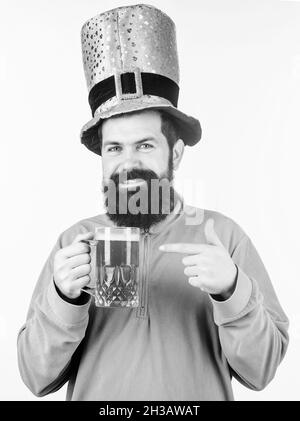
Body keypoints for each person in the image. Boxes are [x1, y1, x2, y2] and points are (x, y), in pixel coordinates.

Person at [17, 4, 289, 401]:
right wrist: (63, 296)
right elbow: (35, 378)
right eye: (115, 148)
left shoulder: (223, 237)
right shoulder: (75, 242)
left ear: (175, 154)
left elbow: (262, 371)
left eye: (144, 145)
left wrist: (232, 290)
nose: (127, 163)